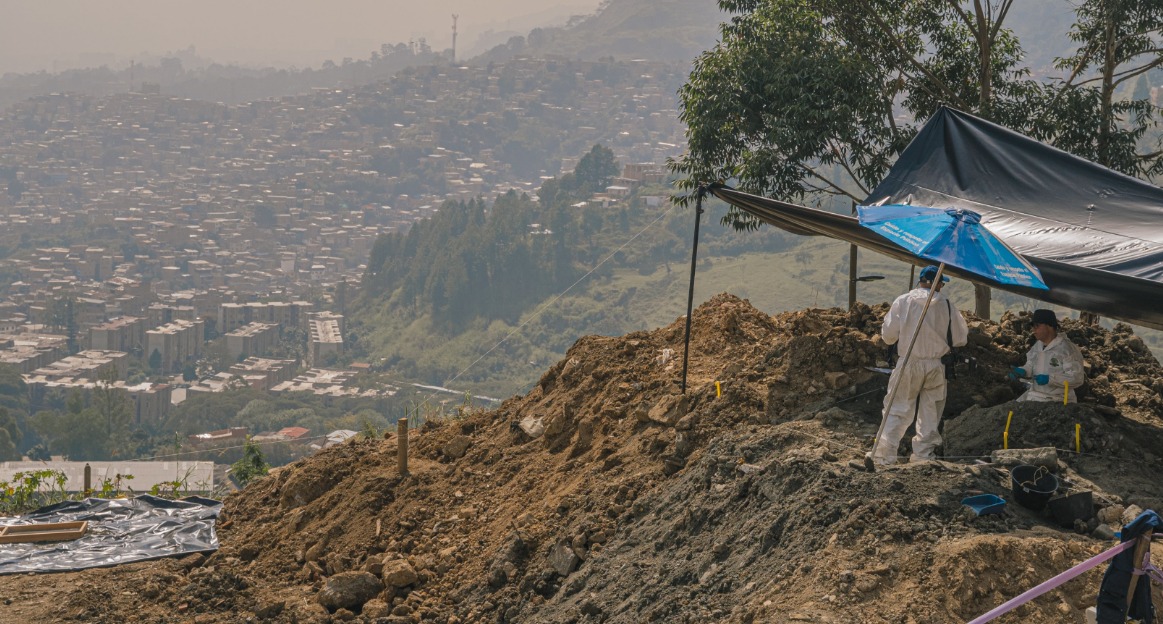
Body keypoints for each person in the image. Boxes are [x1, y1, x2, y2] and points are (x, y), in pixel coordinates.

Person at [870, 265, 968, 466]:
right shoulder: (947, 305)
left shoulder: (903, 301)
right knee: (930, 413)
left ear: (921, 281)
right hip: (936, 365)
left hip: (909, 362)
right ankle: (923, 457)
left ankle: (884, 456)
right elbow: (960, 339)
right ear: (938, 284)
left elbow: (888, 337)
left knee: (897, 408)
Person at [1009, 309, 1086, 403]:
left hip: (1059, 399)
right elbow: (1030, 365)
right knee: (1012, 409)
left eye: (1037, 326)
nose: (1033, 330)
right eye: (1033, 326)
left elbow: (1077, 378)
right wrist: (1024, 371)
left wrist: (1050, 379)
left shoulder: (1067, 349)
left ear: (1049, 326)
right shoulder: (1037, 346)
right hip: (1035, 395)